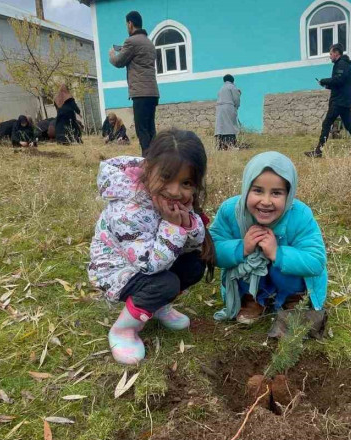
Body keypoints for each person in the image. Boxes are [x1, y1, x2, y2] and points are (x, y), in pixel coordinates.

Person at [88, 129, 216, 365]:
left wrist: (186, 222)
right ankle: (123, 329)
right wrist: (172, 226)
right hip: (116, 269)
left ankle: (157, 306)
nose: (175, 191)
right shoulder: (128, 209)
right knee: (164, 283)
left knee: (194, 265)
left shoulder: (171, 200)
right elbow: (148, 265)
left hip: (153, 258)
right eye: (167, 177)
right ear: (148, 169)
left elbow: (192, 244)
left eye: (186, 183)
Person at [210, 151, 327, 324]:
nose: (266, 201)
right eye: (257, 190)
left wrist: (277, 253)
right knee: (249, 258)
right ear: (246, 188)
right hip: (248, 281)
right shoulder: (231, 211)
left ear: (289, 195)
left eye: (276, 193)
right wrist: (241, 248)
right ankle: (251, 299)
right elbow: (212, 249)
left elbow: (316, 261)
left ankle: (293, 300)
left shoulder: (300, 215)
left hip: (289, 282)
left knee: (280, 264)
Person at [109, 11, 159, 157]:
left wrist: (112, 53)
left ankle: (148, 164)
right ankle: (156, 160)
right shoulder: (149, 43)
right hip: (153, 93)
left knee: (142, 131)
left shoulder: (131, 41)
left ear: (130, 23)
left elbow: (119, 62)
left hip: (141, 93)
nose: (127, 27)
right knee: (150, 129)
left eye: (126, 24)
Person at [305, 44, 351, 158]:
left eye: (331, 54)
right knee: (349, 125)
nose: (330, 56)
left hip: (339, 101)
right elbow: (339, 84)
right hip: (343, 101)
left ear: (336, 53)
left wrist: (324, 80)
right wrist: (326, 85)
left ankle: (318, 151)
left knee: (327, 123)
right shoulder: (342, 64)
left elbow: (338, 80)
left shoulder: (341, 64)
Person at [215, 74, 241, 150]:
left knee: (221, 126)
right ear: (232, 80)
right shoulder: (232, 87)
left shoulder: (221, 88)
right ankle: (231, 145)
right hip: (228, 107)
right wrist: (237, 105)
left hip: (219, 108)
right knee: (230, 126)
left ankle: (220, 146)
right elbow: (236, 99)